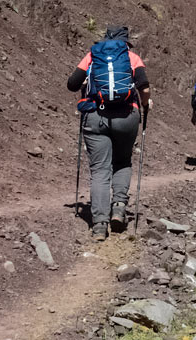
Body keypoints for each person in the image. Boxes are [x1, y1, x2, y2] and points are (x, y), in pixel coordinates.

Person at [67, 25, 151, 240]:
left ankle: (99, 225)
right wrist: (145, 104)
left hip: (96, 117)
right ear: (126, 41)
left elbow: (72, 84)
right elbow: (144, 87)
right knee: (122, 162)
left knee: (100, 170)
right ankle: (119, 208)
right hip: (127, 117)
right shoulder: (132, 57)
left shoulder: (93, 56)